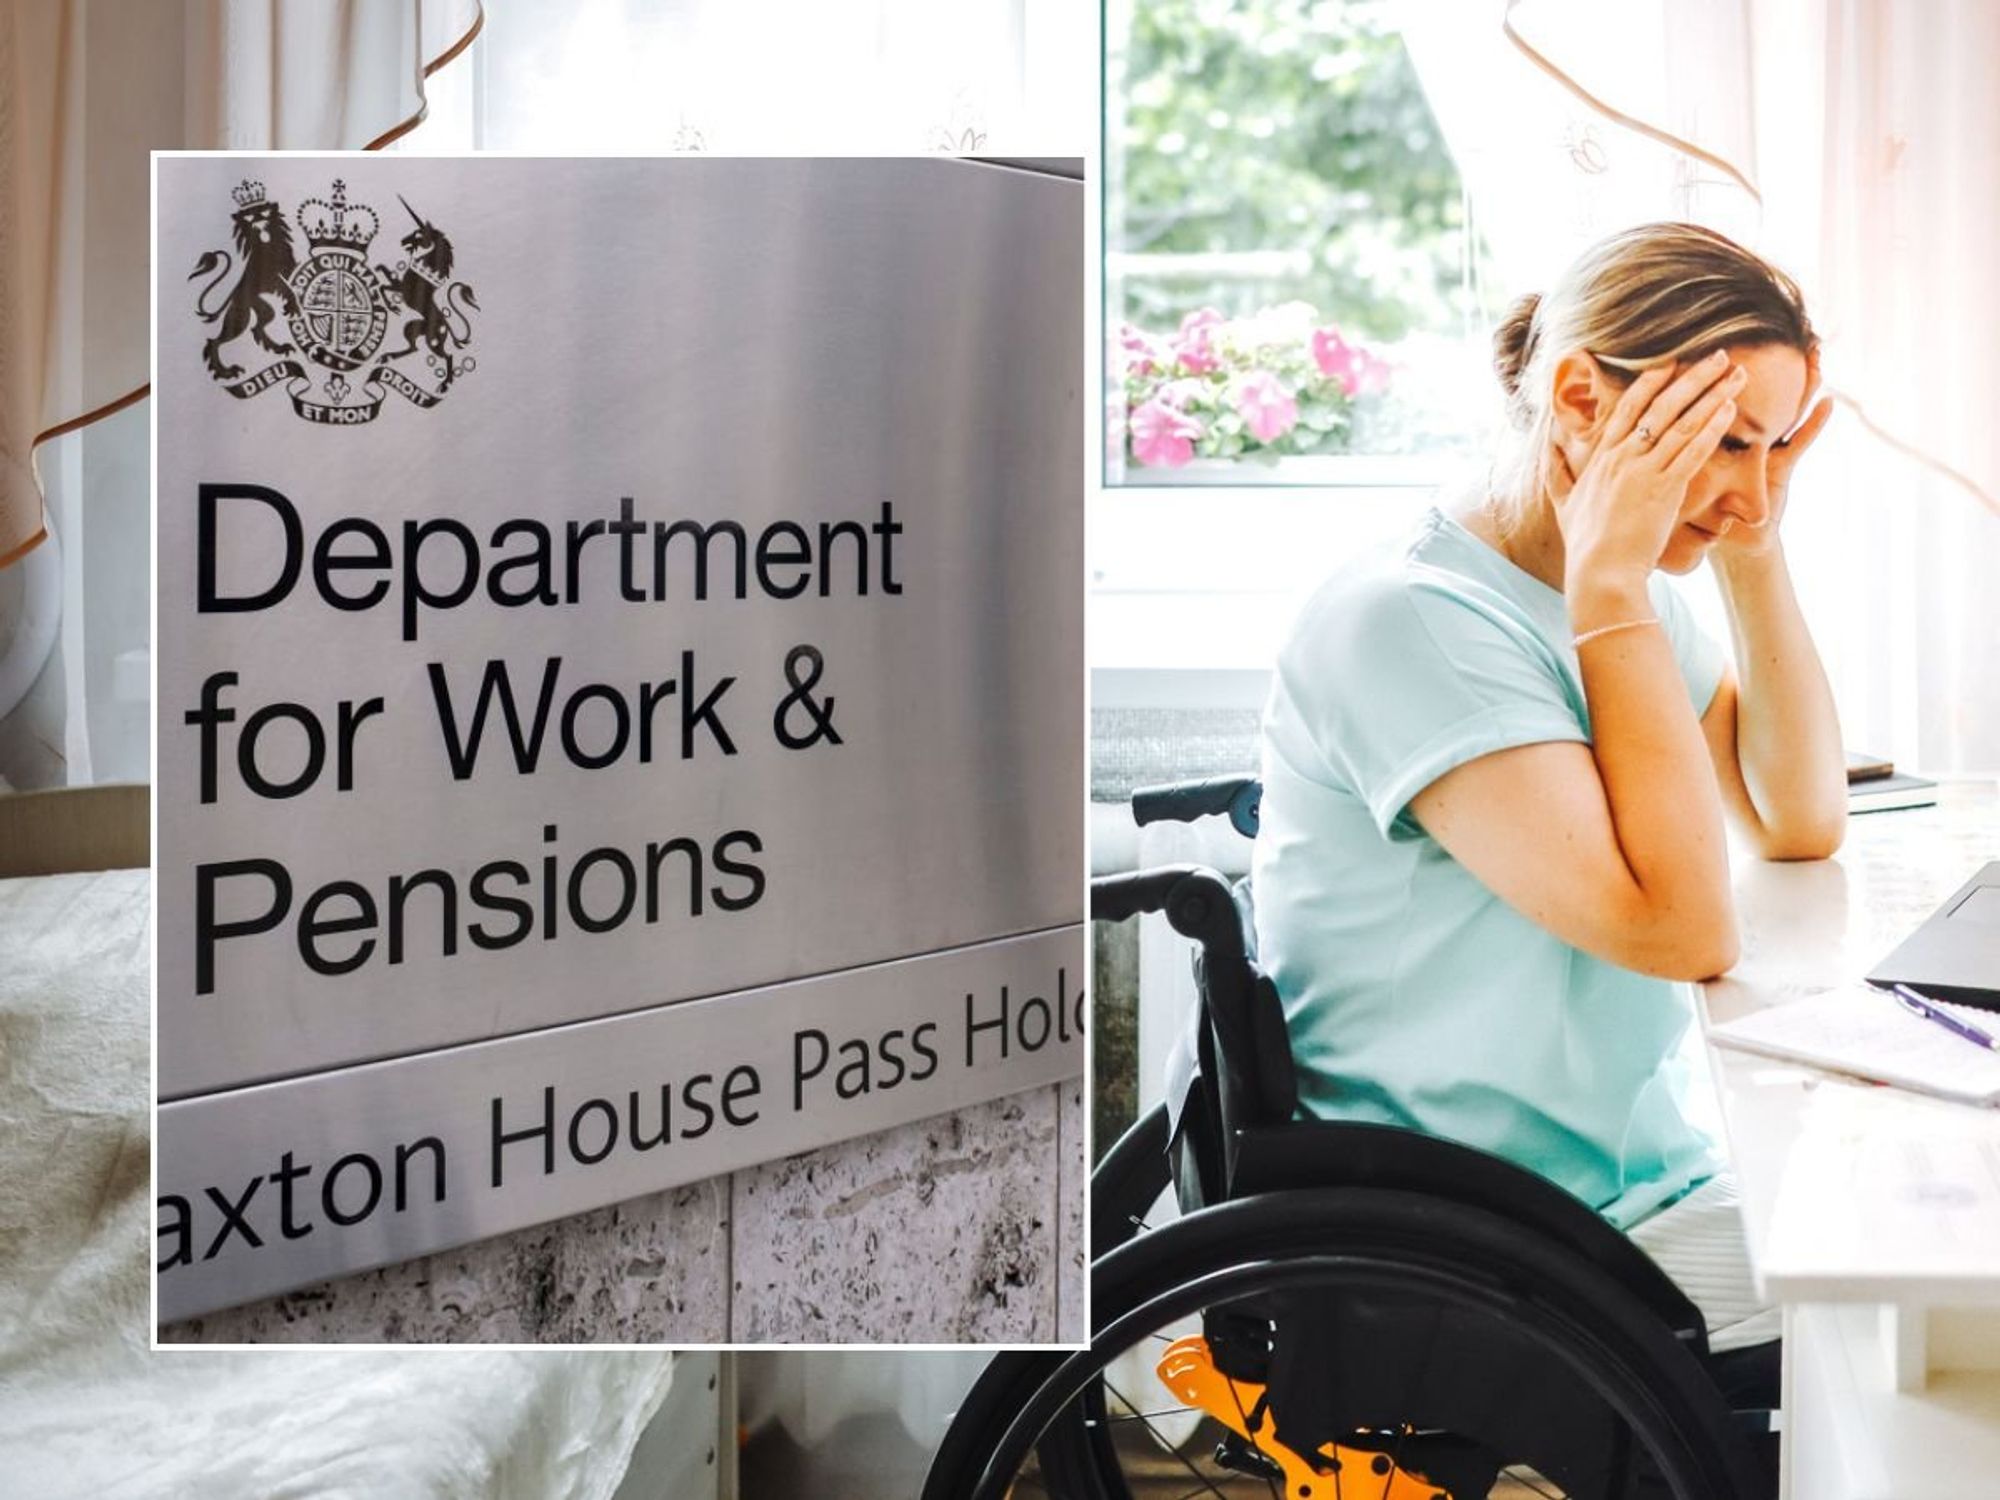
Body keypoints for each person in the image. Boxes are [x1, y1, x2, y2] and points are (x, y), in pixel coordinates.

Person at [1253, 222, 1844, 1459]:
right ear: (1580, 399)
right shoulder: (1412, 625)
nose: (1752, 478)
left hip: (1623, 1190)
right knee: (1928, 1302)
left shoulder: (1577, 598)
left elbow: (1795, 816)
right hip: (1498, 1229)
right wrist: (1615, 592)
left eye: (1776, 445)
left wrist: (1750, 535)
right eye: (1724, 439)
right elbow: (1681, 930)